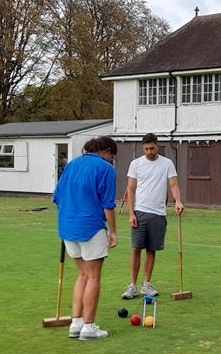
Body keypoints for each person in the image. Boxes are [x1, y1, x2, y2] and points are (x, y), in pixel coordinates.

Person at [53, 136, 119, 341]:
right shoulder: (106, 169)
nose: (112, 160)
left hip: (67, 227)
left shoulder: (71, 165)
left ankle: (76, 323)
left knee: (82, 274)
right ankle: (89, 327)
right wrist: (114, 231)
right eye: (113, 156)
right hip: (91, 227)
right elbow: (108, 205)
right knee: (93, 277)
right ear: (106, 151)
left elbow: (57, 197)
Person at [122, 133, 184, 300]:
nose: (149, 151)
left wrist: (178, 201)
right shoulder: (136, 164)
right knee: (136, 248)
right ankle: (132, 286)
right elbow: (131, 189)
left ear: (158, 146)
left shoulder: (167, 163)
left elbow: (173, 184)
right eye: (146, 149)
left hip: (158, 213)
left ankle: (146, 284)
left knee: (151, 249)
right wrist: (131, 213)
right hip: (139, 211)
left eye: (152, 148)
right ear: (143, 148)